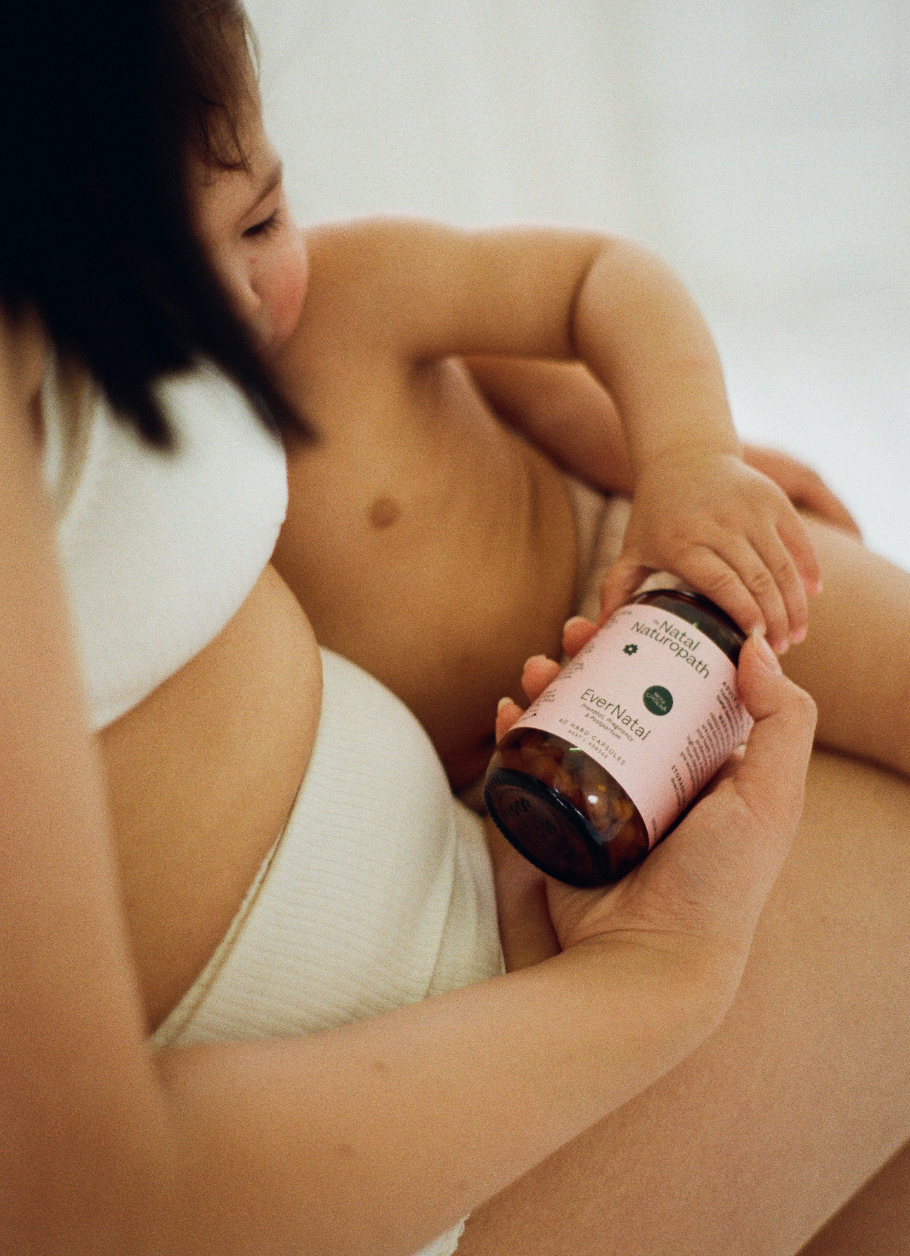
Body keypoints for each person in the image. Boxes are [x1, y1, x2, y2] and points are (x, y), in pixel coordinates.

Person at [2, 6, 910, 1256]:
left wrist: (687, 454)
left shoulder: (343, 295)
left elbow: (585, 292)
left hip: (636, 575)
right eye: (163, 275)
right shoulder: (148, 395)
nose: (242, 296)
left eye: (264, 221)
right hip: (526, 791)